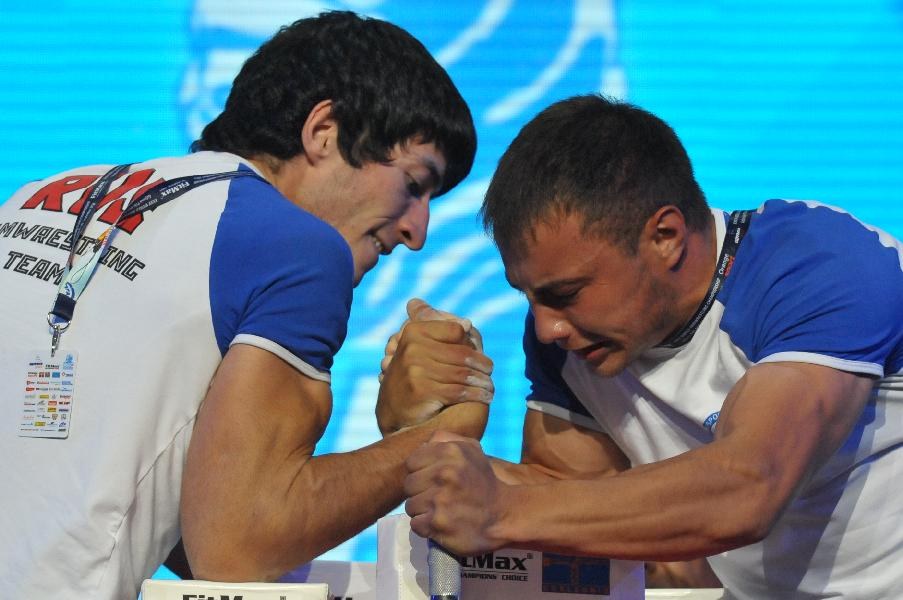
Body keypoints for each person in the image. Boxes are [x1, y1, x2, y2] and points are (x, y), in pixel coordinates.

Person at [0, 11, 494, 599]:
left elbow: (166, 521)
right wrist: (439, 437)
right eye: (414, 183)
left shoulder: (37, 196)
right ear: (324, 132)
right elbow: (235, 547)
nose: (419, 231)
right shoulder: (301, 248)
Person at [401, 94, 903, 599]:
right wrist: (423, 444)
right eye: (530, 297)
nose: (547, 327)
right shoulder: (570, 337)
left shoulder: (819, 268)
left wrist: (497, 511)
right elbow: (570, 499)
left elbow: (750, 486)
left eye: (565, 294)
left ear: (665, 236)